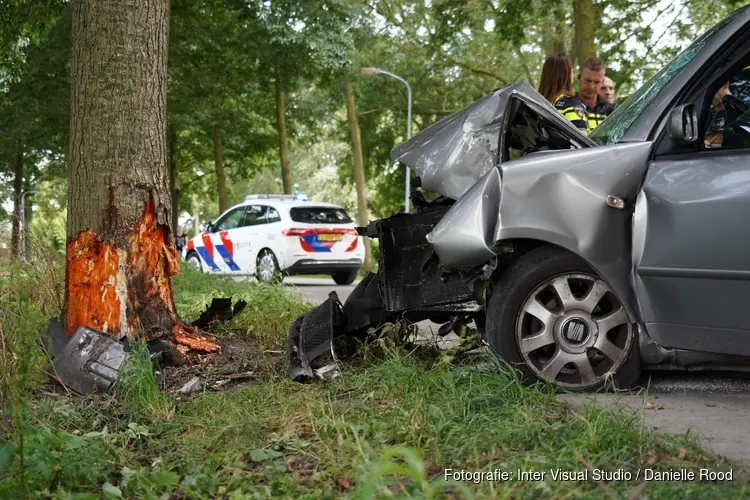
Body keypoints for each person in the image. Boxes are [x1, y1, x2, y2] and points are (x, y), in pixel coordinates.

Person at [538, 52, 588, 134]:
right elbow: (582, 142)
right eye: (572, 70)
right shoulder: (571, 104)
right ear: (567, 74)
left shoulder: (538, 106)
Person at [576, 57, 615, 131]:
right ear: (578, 78)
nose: (591, 87)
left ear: (602, 82)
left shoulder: (612, 111)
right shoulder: (567, 106)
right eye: (588, 81)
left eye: (597, 82)